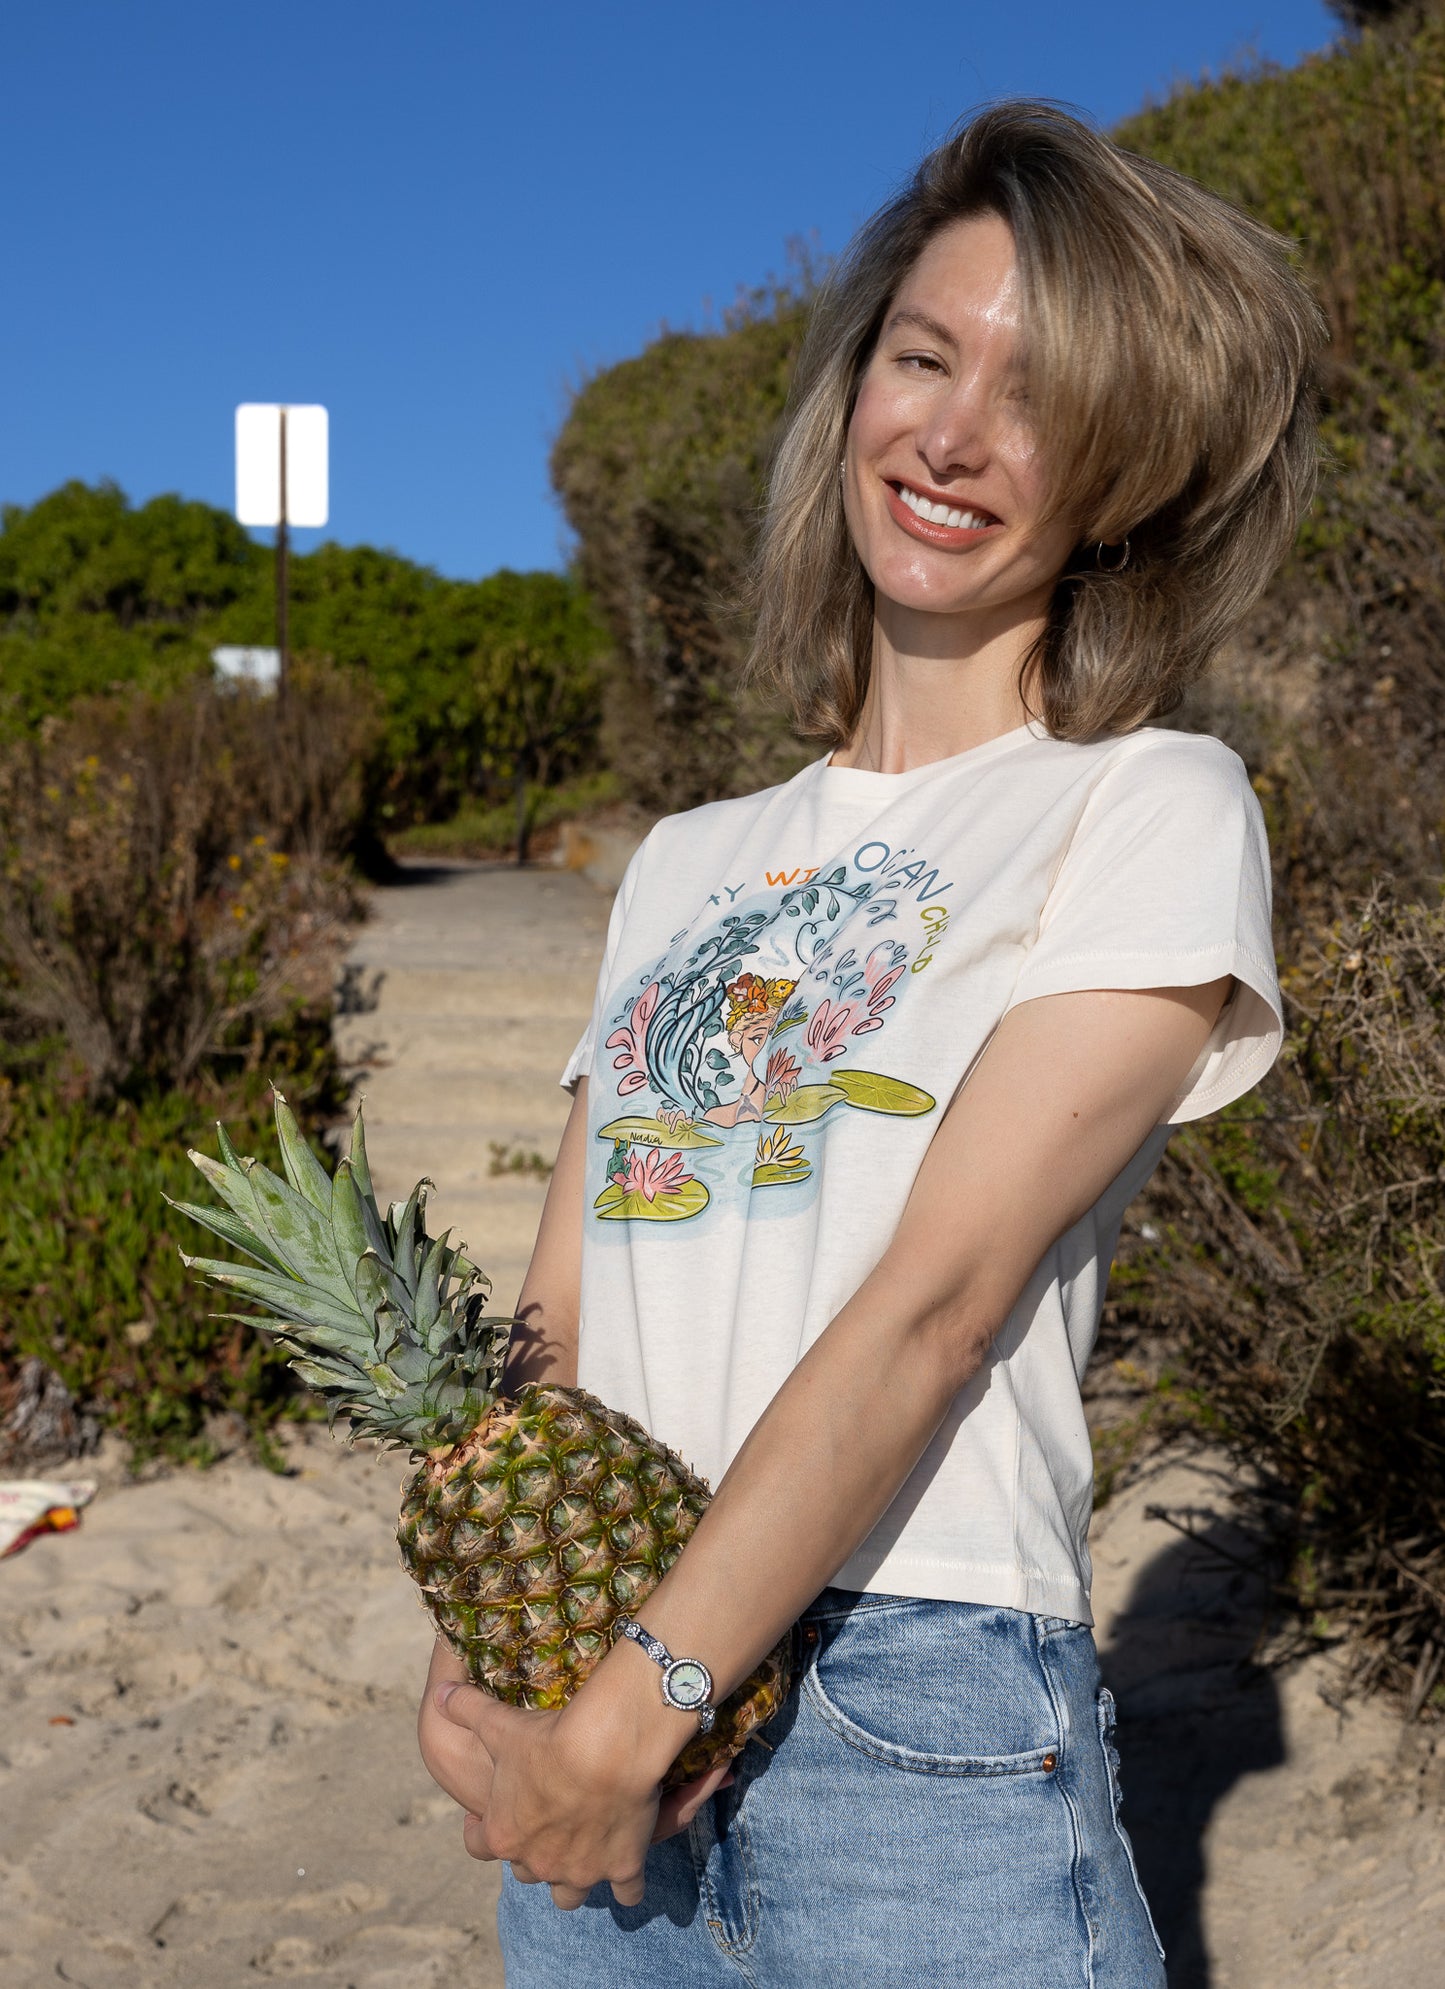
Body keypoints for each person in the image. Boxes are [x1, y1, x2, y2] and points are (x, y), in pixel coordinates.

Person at [418, 100, 1324, 1986]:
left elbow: (942, 1300)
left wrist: (640, 1698)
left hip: (909, 1708)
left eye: (1039, 400)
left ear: (1122, 482)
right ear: (855, 382)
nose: (955, 434)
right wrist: (480, 1614)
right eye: (924, 356)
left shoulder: (1146, 804)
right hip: (584, 1663)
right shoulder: (685, 861)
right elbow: (563, 1302)